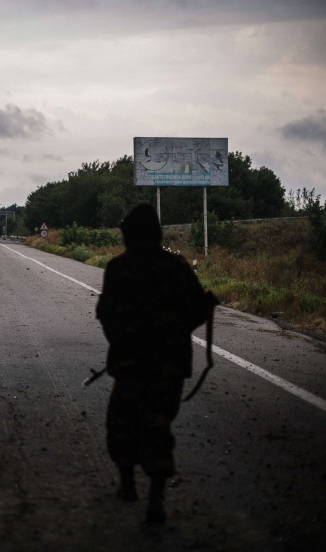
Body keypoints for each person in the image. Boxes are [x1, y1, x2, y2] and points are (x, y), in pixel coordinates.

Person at [95, 203, 216, 524]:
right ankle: (156, 500)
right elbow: (195, 312)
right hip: (170, 365)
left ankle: (127, 485)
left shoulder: (118, 268)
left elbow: (106, 314)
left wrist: (122, 343)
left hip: (130, 365)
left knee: (121, 423)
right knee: (158, 427)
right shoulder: (177, 267)